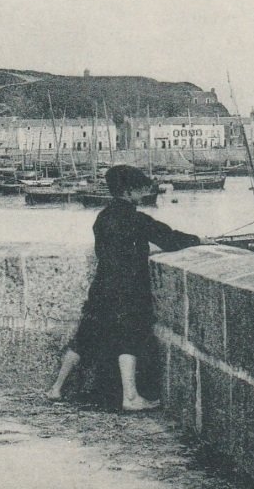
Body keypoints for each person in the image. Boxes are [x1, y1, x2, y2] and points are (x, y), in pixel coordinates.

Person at [46, 165, 214, 411]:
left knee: (84, 338)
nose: (144, 191)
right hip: (128, 289)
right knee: (129, 339)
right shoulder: (136, 220)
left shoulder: (102, 218)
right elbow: (169, 239)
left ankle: (56, 388)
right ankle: (131, 397)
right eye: (140, 188)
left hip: (102, 286)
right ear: (129, 191)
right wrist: (200, 240)